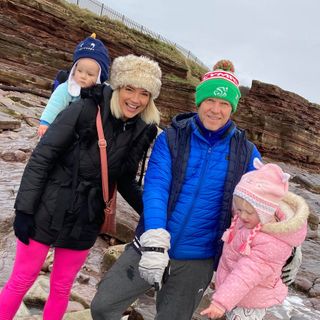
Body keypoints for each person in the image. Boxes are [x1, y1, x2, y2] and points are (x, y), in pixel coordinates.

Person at [91, 60, 263, 320]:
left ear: (232, 108)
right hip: (150, 244)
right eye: (210, 102)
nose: (216, 110)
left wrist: (288, 244)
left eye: (224, 104)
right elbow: (156, 187)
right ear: (199, 102)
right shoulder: (172, 137)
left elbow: (268, 200)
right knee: (103, 307)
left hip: (198, 259)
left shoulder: (246, 152)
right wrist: (156, 239)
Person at [0, 54, 162, 320]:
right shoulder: (87, 107)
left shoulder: (143, 129)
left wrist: (156, 216)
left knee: (62, 288)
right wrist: (24, 210)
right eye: (129, 89)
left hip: (87, 215)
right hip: (49, 205)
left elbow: (124, 179)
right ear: (118, 87)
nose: (136, 99)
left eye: (144, 93)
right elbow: (43, 157)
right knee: (21, 279)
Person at [200, 159, 308, 320]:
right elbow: (243, 205)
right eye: (239, 209)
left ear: (266, 211)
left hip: (250, 301)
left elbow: (246, 274)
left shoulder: (271, 243)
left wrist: (220, 303)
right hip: (235, 294)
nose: (241, 215)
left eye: (248, 212)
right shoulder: (250, 219)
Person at [37, 33, 110, 137]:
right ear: (74, 69)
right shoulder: (66, 89)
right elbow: (54, 105)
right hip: (62, 128)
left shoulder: (102, 93)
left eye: (90, 74)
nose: (83, 76)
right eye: (80, 71)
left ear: (99, 77)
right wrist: (45, 123)